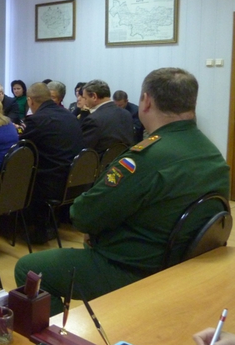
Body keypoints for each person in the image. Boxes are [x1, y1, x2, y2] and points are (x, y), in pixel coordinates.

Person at [15, 68, 230, 315]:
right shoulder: (212, 153)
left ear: (146, 101)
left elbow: (83, 215)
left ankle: (55, 337)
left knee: (28, 269)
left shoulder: (146, 158)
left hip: (134, 268)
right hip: (186, 264)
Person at [19, 82, 84, 243]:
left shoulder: (37, 120)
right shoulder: (70, 116)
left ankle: (36, 230)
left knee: (19, 176)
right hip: (74, 179)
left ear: (30, 101)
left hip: (51, 183)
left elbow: (22, 150)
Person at [80, 79, 134, 153]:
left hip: (101, 160)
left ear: (94, 96)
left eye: (85, 98)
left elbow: (83, 150)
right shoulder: (126, 114)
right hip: (124, 158)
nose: (85, 101)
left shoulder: (93, 120)